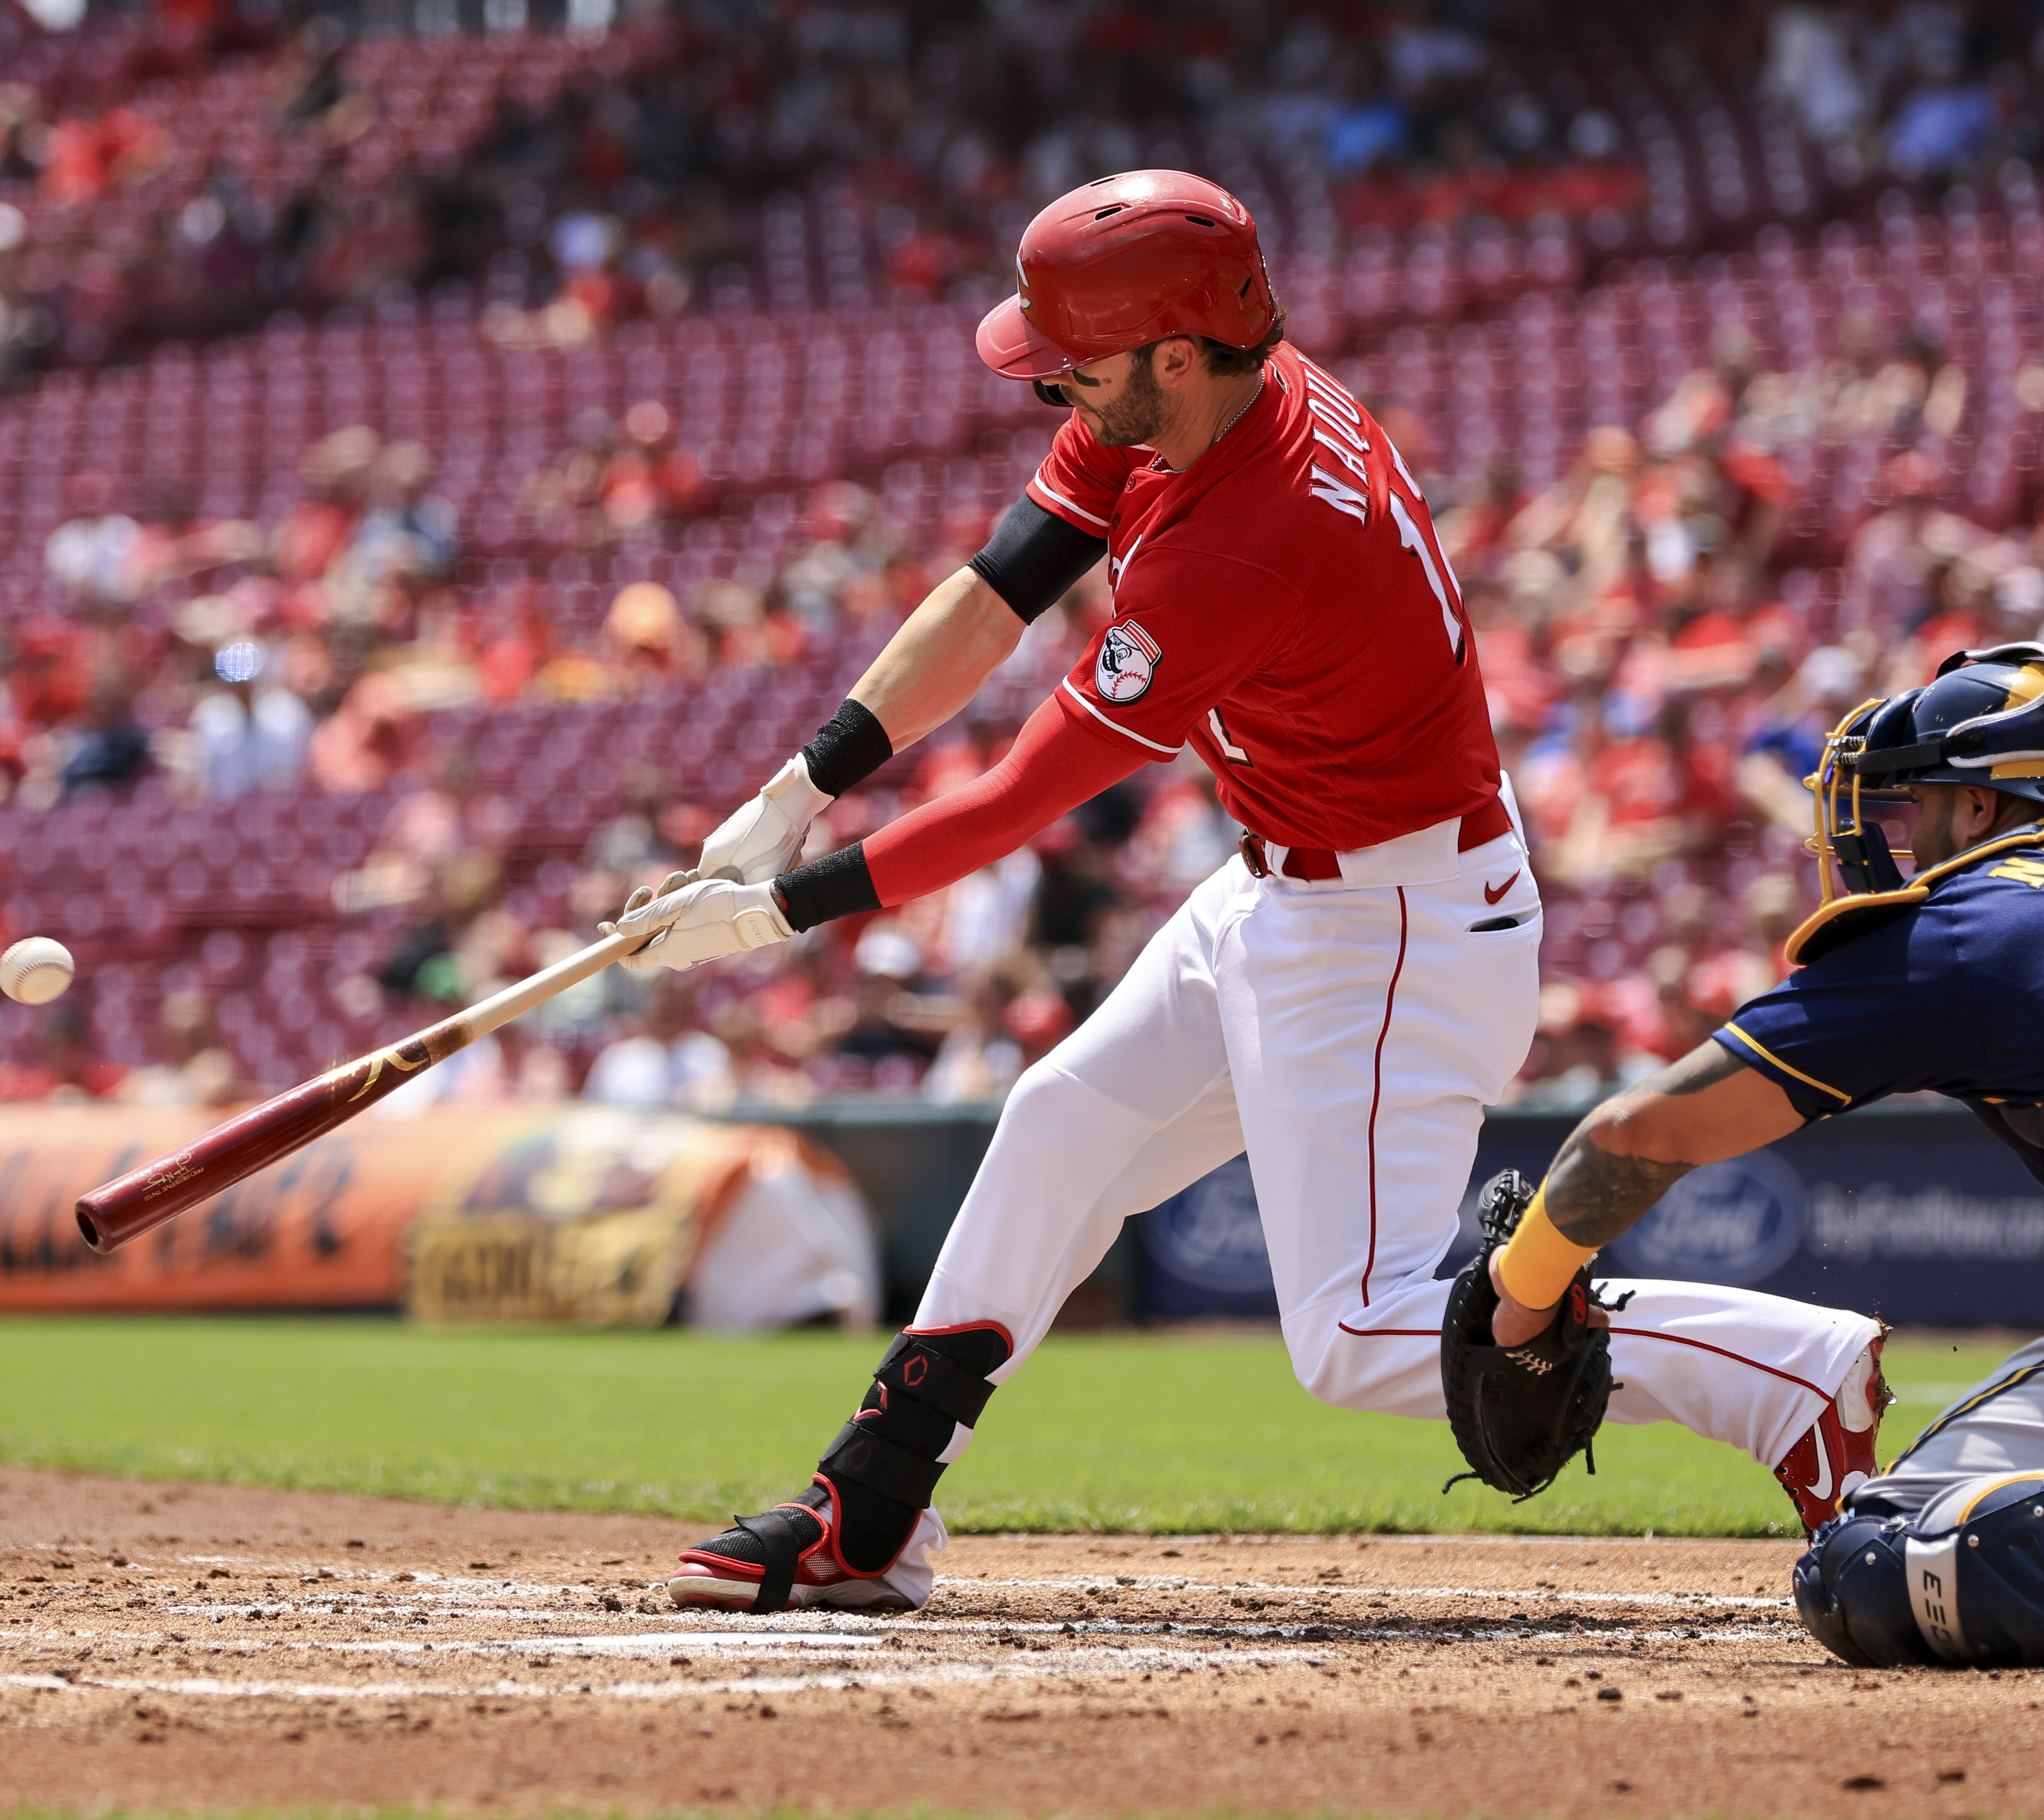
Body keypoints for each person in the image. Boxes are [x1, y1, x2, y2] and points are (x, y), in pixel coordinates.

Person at [609, 171, 1888, 1615]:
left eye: (1076, 364)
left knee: (1355, 1331)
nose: (1055, 392)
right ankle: (873, 1500)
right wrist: (794, 790)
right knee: (1058, 1123)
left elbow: (1027, 795)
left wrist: (781, 911)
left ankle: (1794, 1373)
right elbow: (994, 589)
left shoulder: (1250, 532)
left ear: (1170, 350)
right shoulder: (1215, 388)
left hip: (1389, 923)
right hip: (1292, 885)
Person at [1482, 644, 2044, 1667]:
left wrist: (1516, 1301)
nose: (1900, 836)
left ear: (1979, 807)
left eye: (1912, 805)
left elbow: (1637, 1134)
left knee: (1881, 1563)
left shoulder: (1974, 928)